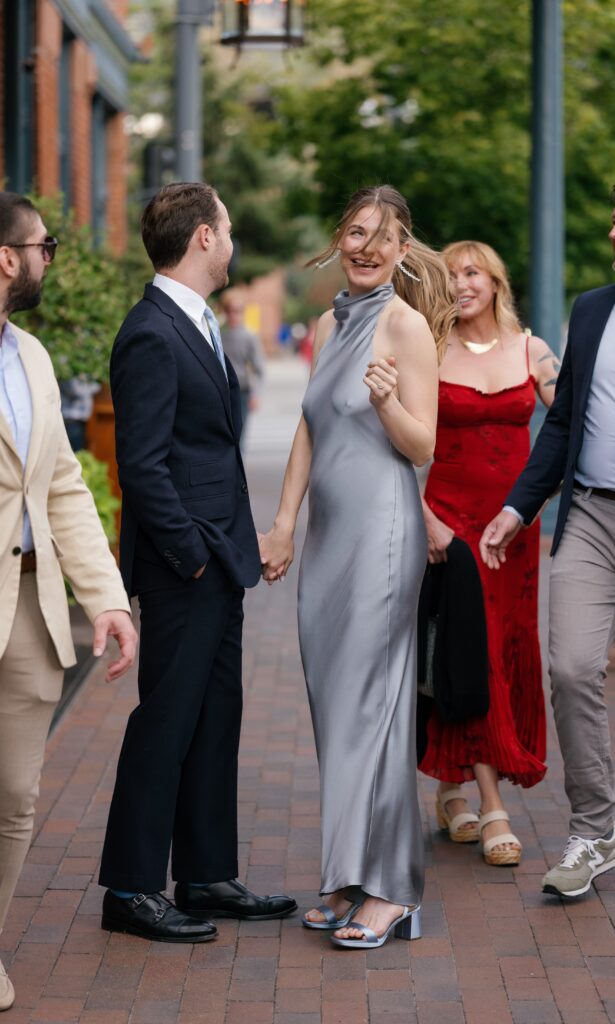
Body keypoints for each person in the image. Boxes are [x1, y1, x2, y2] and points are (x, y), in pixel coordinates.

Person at [98, 182, 297, 943]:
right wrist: (190, 558)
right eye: (229, 227)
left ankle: (207, 875)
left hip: (217, 560)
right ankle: (131, 889)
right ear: (204, 237)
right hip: (184, 566)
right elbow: (141, 467)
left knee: (215, 718)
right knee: (167, 721)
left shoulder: (197, 323)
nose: (233, 239)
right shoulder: (151, 332)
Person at [260, 185, 454, 949]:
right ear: (338, 240)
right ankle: (347, 874)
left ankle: (393, 889)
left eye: (381, 237)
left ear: (402, 251)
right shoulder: (325, 325)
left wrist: (384, 404)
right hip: (328, 540)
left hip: (382, 535)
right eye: (354, 232)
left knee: (374, 707)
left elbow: (422, 445)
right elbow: (308, 430)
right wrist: (283, 523)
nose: (365, 247)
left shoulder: (405, 327)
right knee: (335, 708)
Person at [481, 173, 615, 900]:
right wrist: (518, 506)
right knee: (569, 670)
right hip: (590, 515)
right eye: (613, 219)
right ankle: (595, 831)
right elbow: (562, 422)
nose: (614, 231)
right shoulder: (591, 309)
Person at [0, 192, 137, 1010]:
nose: (49, 259)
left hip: (32, 608)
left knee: (15, 797)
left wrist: (107, 599)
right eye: (43, 246)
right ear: (7, 258)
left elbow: (59, 489)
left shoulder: (33, 358)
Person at [419, 241, 558, 866]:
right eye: (451, 275)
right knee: (469, 652)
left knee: (502, 647)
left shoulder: (533, 351)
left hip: (514, 529)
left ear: (497, 282)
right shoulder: (428, 350)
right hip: (450, 529)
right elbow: (398, 446)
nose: (461, 284)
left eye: (472, 272)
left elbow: (571, 425)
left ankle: (451, 789)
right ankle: (492, 804)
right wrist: (425, 522)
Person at [217, 289, 265, 434]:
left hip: (241, 392)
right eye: (229, 310)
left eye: (237, 310)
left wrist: (255, 395)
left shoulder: (249, 336)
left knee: (239, 435)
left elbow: (259, 369)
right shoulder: (217, 334)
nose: (233, 315)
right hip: (220, 393)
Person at [58, 377, 100, 451]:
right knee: (74, 451)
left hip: (81, 419)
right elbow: (76, 390)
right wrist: (91, 386)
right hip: (71, 419)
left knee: (80, 449)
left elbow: (97, 386)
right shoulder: (66, 373)